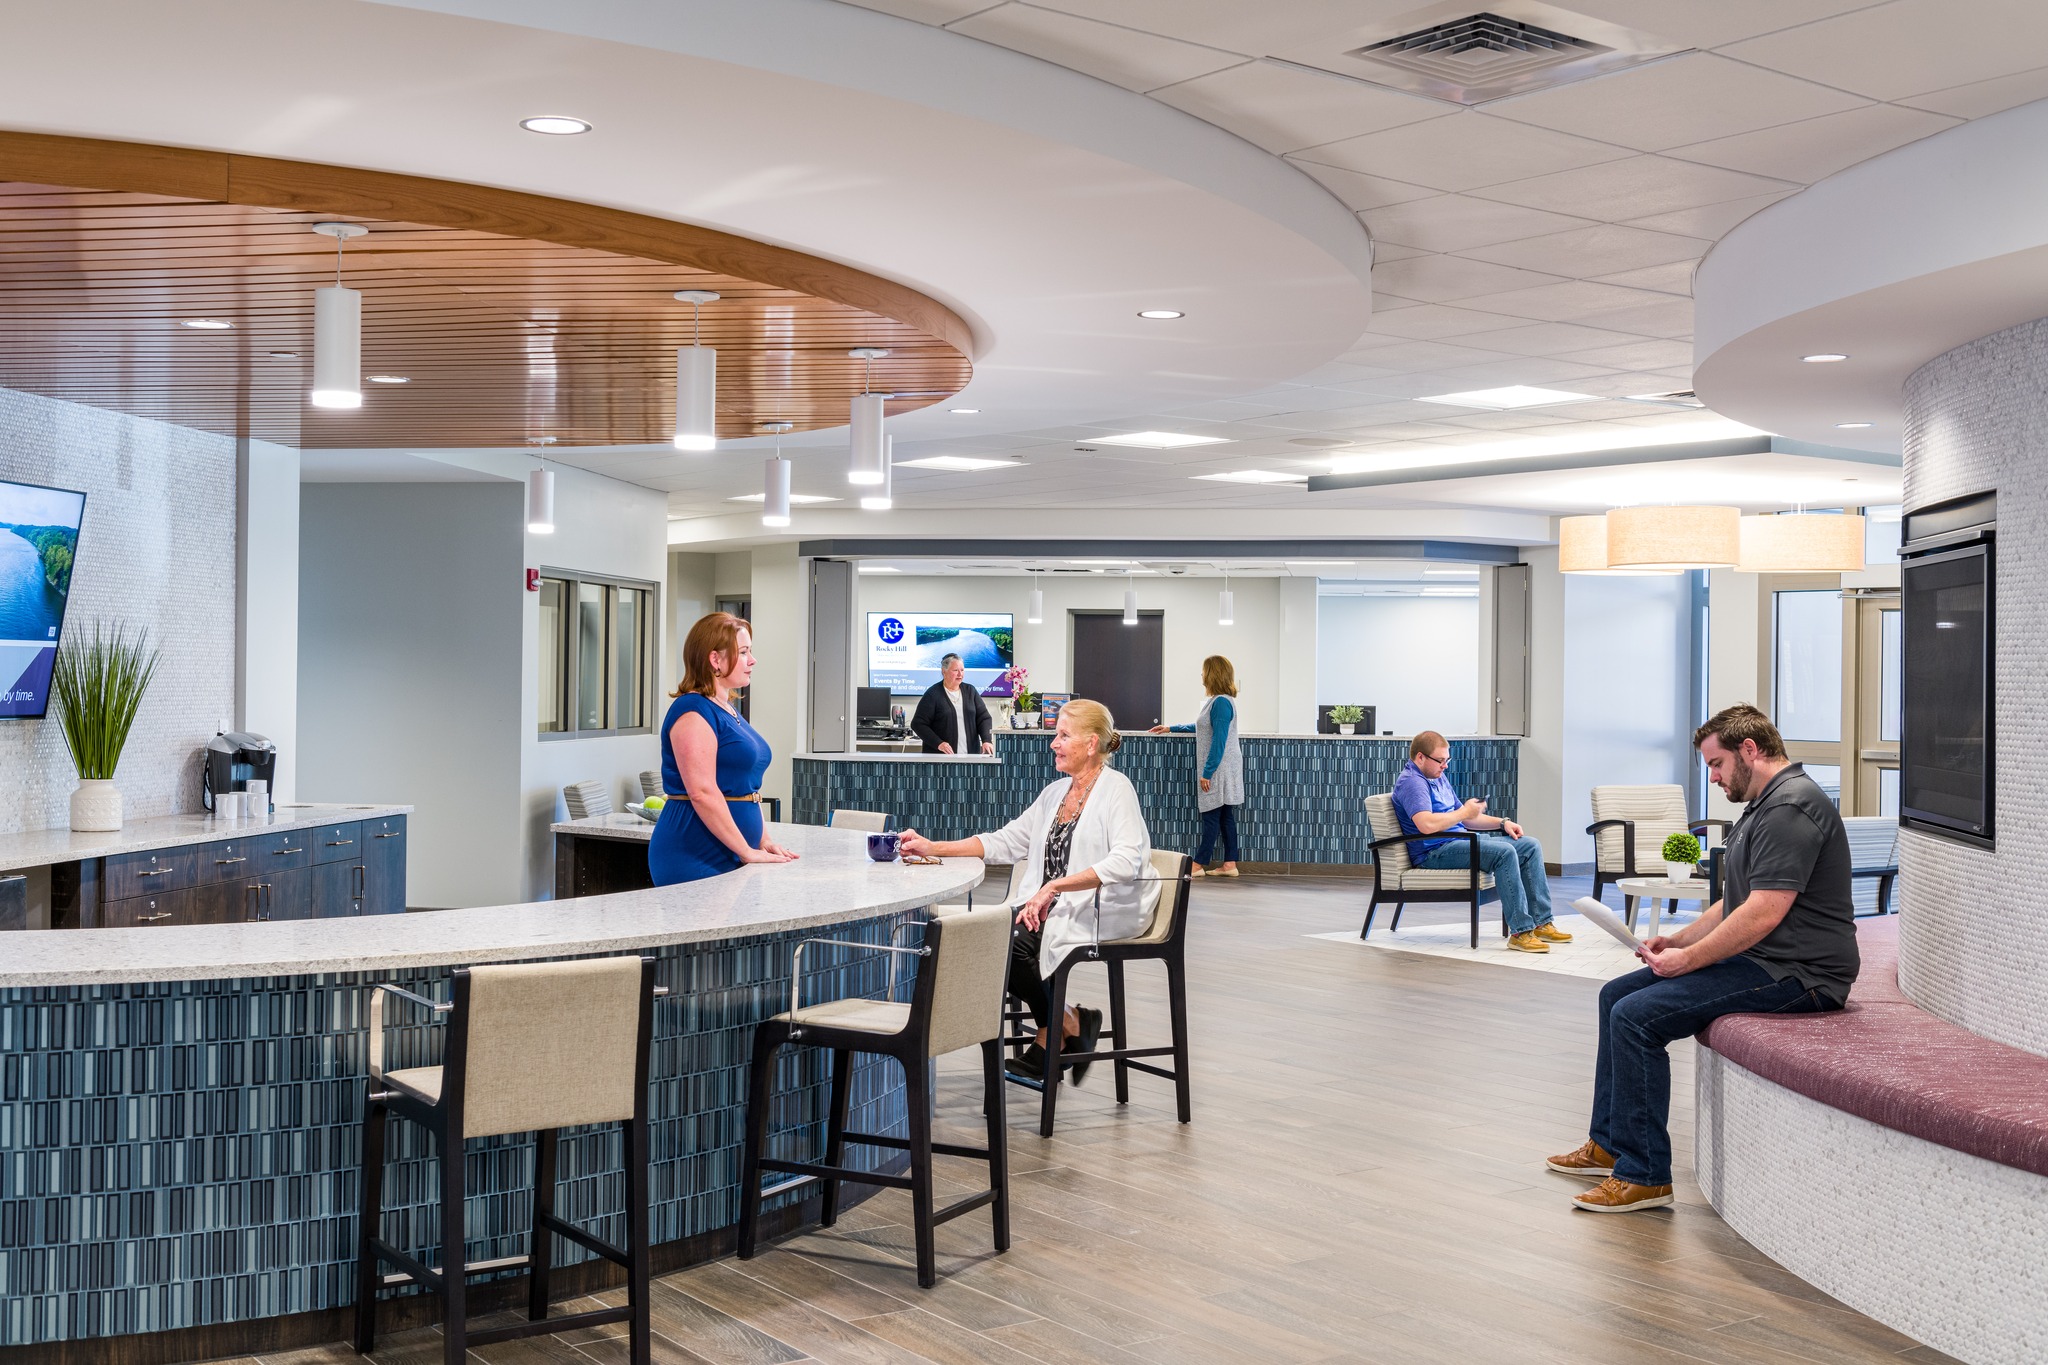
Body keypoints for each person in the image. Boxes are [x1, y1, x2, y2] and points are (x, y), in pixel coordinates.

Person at [1547, 704, 1858, 1213]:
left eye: (1717, 764)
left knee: (1637, 1018)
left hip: (1802, 975)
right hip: (1767, 961)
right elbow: (1735, 900)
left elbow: (1762, 913)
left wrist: (1689, 961)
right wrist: (1679, 941)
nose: (1713, 778)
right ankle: (1609, 1142)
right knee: (1614, 995)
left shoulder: (1792, 808)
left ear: (1749, 750)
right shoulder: (1764, 804)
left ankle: (1645, 1175)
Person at [899, 699, 1150, 1081]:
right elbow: (1004, 841)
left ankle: (1055, 1035)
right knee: (990, 936)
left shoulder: (1117, 790)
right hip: (1046, 905)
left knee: (1010, 940)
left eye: (1063, 735)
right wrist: (934, 847)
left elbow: (1126, 861)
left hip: (1099, 906)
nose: (1054, 743)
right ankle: (1069, 1023)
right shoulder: (1056, 793)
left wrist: (1054, 887)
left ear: (1090, 743)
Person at [648, 612, 799, 885]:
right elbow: (702, 792)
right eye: (743, 652)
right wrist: (746, 851)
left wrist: (763, 841)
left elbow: (747, 788)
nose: (752, 660)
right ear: (715, 659)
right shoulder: (692, 710)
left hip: (735, 851)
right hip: (696, 852)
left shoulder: (726, 709)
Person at [1392, 730, 1566, 953]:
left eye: (1447, 760)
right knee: (1504, 853)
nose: (1445, 766)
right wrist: (1464, 812)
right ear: (1420, 757)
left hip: (1459, 841)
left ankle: (1541, 923)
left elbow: (1467, 819)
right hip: (1434, 851)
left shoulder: (1437, 776)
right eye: (1440, 760)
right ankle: (1521, 932)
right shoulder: (1413, 783)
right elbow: (1426, 825)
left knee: (1530, 846)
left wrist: (1502, 823)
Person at [1148, 654, 1242, 877]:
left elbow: (1218, 741)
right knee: (1224, 816)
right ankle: (1230, 864)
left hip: (1219, 768)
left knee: (1211, 815)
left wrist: (1207, 772)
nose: (1201, 675)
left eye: (1204, 670)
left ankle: (1198, 864)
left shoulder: (1221, 703)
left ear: (1212, 674)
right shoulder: (1218, 701)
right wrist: (1171, 728)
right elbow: (1202, 728)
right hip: (1223, 766)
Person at [910, 652, 994, 756]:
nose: (960, 674)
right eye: (955, 670)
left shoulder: (970, 691)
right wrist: (939, 743)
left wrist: (986, 740)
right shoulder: (932, 694)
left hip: (970, 756)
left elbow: (984, 718)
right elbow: (918, 724)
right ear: (943, 671)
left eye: (962, 670)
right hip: (941, 758)